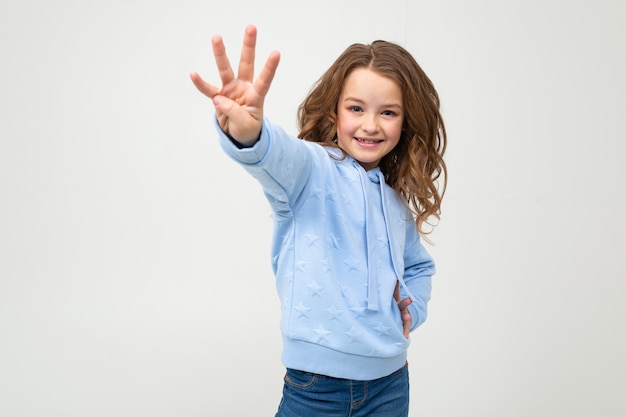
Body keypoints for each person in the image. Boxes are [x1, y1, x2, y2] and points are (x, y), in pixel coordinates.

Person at [190, 24, 446, 417]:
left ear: (405, 120)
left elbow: (419, 266)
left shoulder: (394, 202)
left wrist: (410, 309)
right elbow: (276, 155)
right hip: (315, 389)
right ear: (335, 110)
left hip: (391, 384)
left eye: (388, 112)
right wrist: (249, 130)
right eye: (356, 108)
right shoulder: (311, 171)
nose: (371, 124)